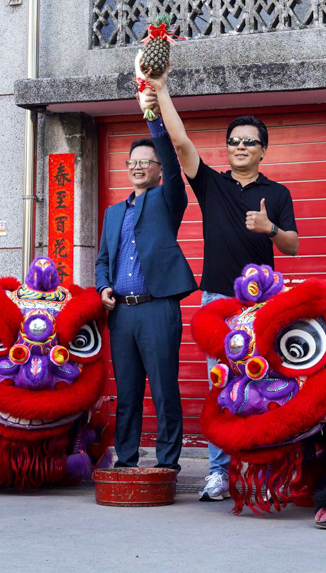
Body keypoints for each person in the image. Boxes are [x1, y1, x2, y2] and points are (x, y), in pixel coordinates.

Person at [136, 53, 299, 500]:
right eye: (234, 141)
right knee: (221, 386)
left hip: (261, 306)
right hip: (217, 303)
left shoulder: (277, 193)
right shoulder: (212, 184)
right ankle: (218, 472)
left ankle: (262, 470)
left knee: (264, 381)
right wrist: (162, 89)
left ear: (263, 149)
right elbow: (182, 143)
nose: (240, 147)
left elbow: (293, 247)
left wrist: (271, 230)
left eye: (249, 142)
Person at [95, 113, 197, 473]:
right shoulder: (111, 213)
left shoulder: (168, 199)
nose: (138, 167)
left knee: (164, 390)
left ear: (156, 169)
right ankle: (126, 460)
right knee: (127, 393)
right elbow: (102, 260)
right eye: (132, 162)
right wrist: (103, 287)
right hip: (121, 313)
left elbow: (173, 164)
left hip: (157, 308)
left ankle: (168, 463)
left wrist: (155, 119)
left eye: (145, 162)